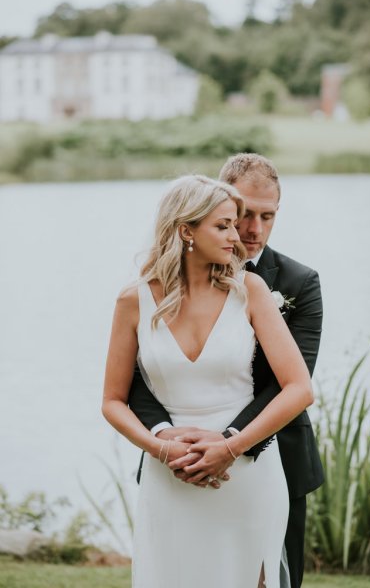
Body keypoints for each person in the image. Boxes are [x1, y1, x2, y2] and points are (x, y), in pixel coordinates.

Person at [102, 174, 314, 588]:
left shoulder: (250, 291)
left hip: (246, 474)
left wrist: (230, 447)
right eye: (224, 225)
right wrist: (162, 449)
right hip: (170, 478)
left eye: (235, 225)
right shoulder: (134, 300)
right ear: (186, 231)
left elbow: (299, 388)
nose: (237, 237)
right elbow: (112, 400)